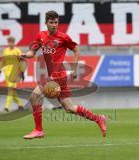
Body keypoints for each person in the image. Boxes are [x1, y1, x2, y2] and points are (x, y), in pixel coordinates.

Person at [21, 10, 107, 139]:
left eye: (56, 22)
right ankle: (98, 119)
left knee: (34, 96)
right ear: (46, 23)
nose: (54, 25)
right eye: (51, 22)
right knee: (69, 108)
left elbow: (76, 49)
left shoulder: (63, 37)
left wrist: (75, 67)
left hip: (57, 75)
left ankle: (39, 130)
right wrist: (24, 55)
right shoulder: (41, 36)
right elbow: (32, 53)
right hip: (59, 77)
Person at [0, 36, 25, 112]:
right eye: (9, 42)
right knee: (13, 92)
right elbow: (3, 61)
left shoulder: (17, 51)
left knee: (10, 89)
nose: (10, 43)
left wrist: (22, 72)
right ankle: (20, 106)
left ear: (14, 42)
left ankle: (6, 107)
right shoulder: (5, 51)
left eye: (12, 42)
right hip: (7, 73)